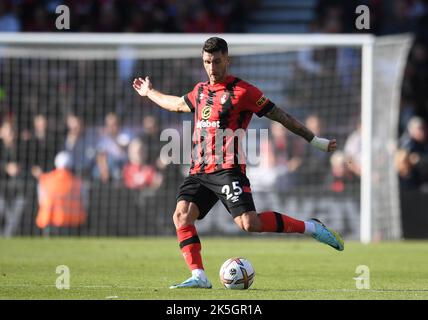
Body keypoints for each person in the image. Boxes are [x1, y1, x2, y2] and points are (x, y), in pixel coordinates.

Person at [132, 37, 344, 289]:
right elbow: (177, 104)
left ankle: (311, 227)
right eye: (207, 62)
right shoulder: (200, 91)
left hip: (228, 169)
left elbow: (282, 117)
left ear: (227, 60)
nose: (211, 67)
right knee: (181, 216)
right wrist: (149, 93)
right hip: (199, 170)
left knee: (249, 224)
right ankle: (199, 275)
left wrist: (315, 140)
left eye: (216, 61)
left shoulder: (244, 92)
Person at [36, 151, 87, 235]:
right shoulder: (78, 182)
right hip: (73, 223)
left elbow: (41, 200)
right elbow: (85, 202)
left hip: (49, 221)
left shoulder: (45, 180)